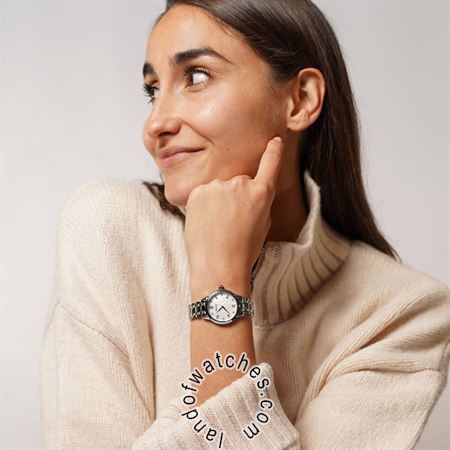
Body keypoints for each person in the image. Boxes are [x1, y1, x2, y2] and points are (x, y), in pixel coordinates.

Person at [39, 1, 450, 449]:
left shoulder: (402, 314)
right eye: (153, 90)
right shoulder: (111, 229)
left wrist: (220, 278)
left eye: (197, 77)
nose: (155, 124)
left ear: (301, 99)